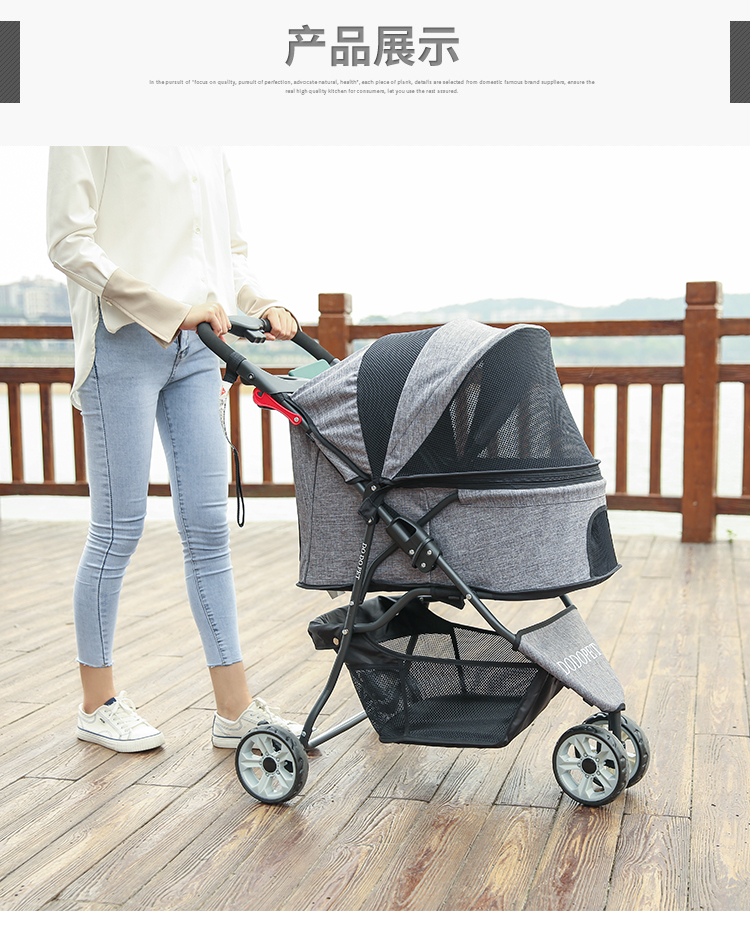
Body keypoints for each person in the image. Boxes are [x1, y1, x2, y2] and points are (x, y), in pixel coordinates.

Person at [47, 146, 300, 753]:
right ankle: (97, 704)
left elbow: (226, 252)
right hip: (122, 342)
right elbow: (68, 243)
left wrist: (260, 301)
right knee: (117, 528)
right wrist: (168, 309)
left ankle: (234, 710)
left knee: (209, 530)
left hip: (200, 346)